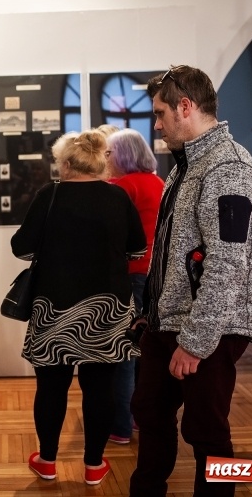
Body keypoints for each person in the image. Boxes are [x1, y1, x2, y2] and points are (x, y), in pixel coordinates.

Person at [129, 65, 252, 497]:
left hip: (211, 329)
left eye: (160, 113)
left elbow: (227, 264)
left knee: (209, 432)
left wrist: (196, 340)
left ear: (185, 107)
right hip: (168, 322)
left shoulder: (229, 168)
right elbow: (174, 251)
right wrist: (152, 316)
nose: (157, 125)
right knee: (150, 415)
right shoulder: (186, 165)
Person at [11, 129, 146, 486]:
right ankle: (93, 466)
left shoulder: (49, 195)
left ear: (67, 164)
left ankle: (48, 461)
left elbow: (20, 247)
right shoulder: (117, 198)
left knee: (51, 388)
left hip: (54, 306)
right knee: (99, 389)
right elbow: (138, 249)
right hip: (109, 308)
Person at [102, 128, 164, 445]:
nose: (105, 159)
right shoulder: (156, 182)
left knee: (123, 352)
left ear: (123, 155)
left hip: (129, 274)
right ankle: (138, 418)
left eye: (109, 153)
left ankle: (120, 427)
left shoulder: (124, 187)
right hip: (153, 274)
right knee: (141, 349)